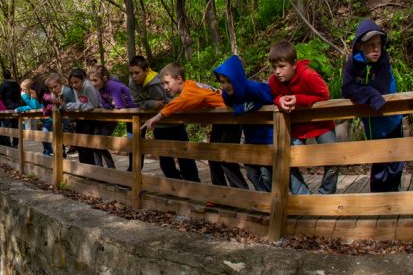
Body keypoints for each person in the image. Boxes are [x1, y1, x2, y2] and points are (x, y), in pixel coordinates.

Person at [141, 63, 248, 189]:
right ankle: (219, 194)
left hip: (231, 119)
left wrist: (158, 116)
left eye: (167, 83)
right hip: (221, 120)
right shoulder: (191, 87)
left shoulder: (190, 89)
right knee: (213, 157)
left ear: (179, 79)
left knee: (225, 159)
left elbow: (178, 103)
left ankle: (241, 193)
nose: (165, 87)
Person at [214, 55, 310, 194]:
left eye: (229, 81)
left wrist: (247, 107)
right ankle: (266, 201)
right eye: (222, 82)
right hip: (251, 137)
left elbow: (274, 98)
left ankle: (303, 197)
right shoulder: (227, 94)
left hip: (269, 135)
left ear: (236, 79)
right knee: (252, 172)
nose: (226, 85)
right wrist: (239, 108)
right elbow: (231, 106)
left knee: (279, 171)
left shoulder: (254, 88)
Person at [341, 20, 405, 192]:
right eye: (371, 45)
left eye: (378, 44)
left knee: (395, 163)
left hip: (392, 120)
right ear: (361, 46)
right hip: (373, 124)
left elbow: (382, 88)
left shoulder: (383, 60)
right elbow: (346, 88)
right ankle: (378, 202)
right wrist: (369, 94)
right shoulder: (354, 63)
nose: (376, 49)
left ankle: (394, 199)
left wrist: (363, 91)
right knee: (379, 164)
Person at [268, 40, 339, 194]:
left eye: (282, 66)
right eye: (274, 67)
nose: (277, 71)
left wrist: (298, 100)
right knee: (286, 160)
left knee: (334, 158)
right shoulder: (273, 81)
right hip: (297, 127)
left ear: (294, 64)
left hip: (321, 124)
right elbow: (272, 96)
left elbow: (324, 95)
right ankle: (304, 197)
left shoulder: (308, 75)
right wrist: (278, 100)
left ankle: (325, 195)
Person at [128, 56, 199, 182]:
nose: (133, 76)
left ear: (146, 71)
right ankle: (175, 183)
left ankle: (193, 182)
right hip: (158, 125)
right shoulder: (133, 85)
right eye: (131, 73)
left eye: (137, 73)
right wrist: (151, 103)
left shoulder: (159, 82)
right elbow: (137, 102)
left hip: (175, 123)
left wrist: (161, 105)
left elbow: (171, 100)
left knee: (184, 155)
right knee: (165, 160)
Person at [89, 65, 134, 168]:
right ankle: (102, 167)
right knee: (96, 140)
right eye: (91, 80)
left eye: (95, 80)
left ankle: (128, 169)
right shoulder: (101, 88)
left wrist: (114, 104)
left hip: (133, 114)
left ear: (104, 78)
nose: (93, 84)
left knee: (133, 143)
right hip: (121, 115)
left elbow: (119, 105)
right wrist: (112, 104)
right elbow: (105, 104)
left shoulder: (112, 86)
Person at [66, 68, 104, 166]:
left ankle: (92, 168)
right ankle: (84, 166)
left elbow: (94, 105)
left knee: (89, 145)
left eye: (76, 82)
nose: (74, 85)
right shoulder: (75, 89)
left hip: (94, 119)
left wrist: (76, 106)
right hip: (82, 118)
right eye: (71, 83)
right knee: (79, 143)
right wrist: (74, 106)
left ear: (82, 80)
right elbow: (81, 103)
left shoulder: (88, 87)